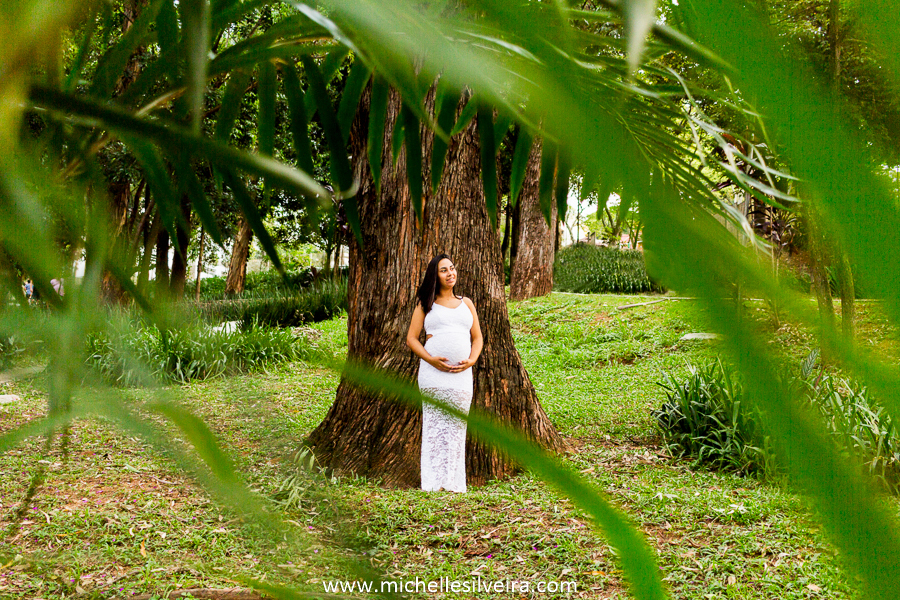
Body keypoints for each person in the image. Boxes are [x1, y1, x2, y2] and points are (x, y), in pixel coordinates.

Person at [406, 254, 483, 492]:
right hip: (432, 375)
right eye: (443, 270)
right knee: (434, 428)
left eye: (452, 268)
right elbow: (411, 338)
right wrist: (430, 359)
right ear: (435, 276)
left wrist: (472, 360)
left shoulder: (467, 303)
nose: (450, 273)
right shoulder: (425, 304)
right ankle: (432, 483)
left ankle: (453, 482)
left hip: (461, 375)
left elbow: (478, 337)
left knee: (457, 427)